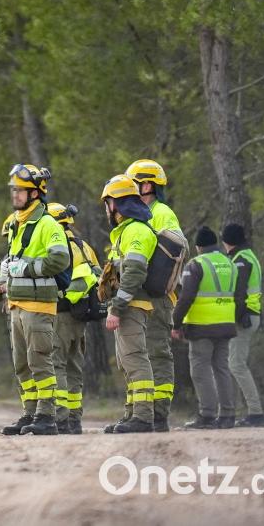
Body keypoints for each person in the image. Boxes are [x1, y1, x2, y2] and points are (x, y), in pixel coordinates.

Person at [0, 165, 69, 437]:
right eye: (13, 189)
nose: (15, 194)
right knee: (21, 365)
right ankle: (30, 412)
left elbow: (60, 260)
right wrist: (3, 285)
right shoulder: (17, 223)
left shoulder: (48, 223)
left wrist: (25, 269)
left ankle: (46, 416)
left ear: (36, 193)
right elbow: (13, 262)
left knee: (40, 361)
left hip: (38, 307)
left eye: (21, 190)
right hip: (17, 304)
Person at [126, 159, 187, 431]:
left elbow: (176, 250)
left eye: (133, 184)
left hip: (159, 299)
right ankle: (136, 412)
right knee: (137, 355)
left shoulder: (162, 213)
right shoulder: (137, 215)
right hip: (141, 297)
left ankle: (159, 414)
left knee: (157, 355)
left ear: (147, 185)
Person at [100, 174, 158, 434]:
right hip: (127, 304)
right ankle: (131, 414)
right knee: (126, 362)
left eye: (108, 202)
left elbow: (134, 272)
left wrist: (116, 308)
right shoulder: (123, 232)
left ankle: (143, 417)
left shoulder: (136, 230)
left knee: (135, 359)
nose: (107, 209)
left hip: (132, 305)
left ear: (117, 203)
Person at [172, 227, 237, 429]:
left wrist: (176, 322)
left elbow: (186, 297)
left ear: (199, 247)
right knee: (222, 368)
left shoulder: (196, 264)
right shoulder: (229, 263)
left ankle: (207, 415)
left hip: (202, 326)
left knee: (201, 370)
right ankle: (227, 415)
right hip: (226, 324)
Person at [46, 202, 101, 435]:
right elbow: (98, 275)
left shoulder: (55, 245)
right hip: (81, 314)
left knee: (57, 363)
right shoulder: (84, 246)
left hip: (60, 313)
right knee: (75, 366)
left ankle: (61, 418)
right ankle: (75, 418)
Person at [221, 223, 264, 427]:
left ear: (227, 241)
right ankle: (251, 412)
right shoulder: (249, 256)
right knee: (236, 363)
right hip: (252, 315)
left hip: (244, 317)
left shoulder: (240, 260)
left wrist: (235, 317)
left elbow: (239, 294)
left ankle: (256, 413)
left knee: (237, 365)